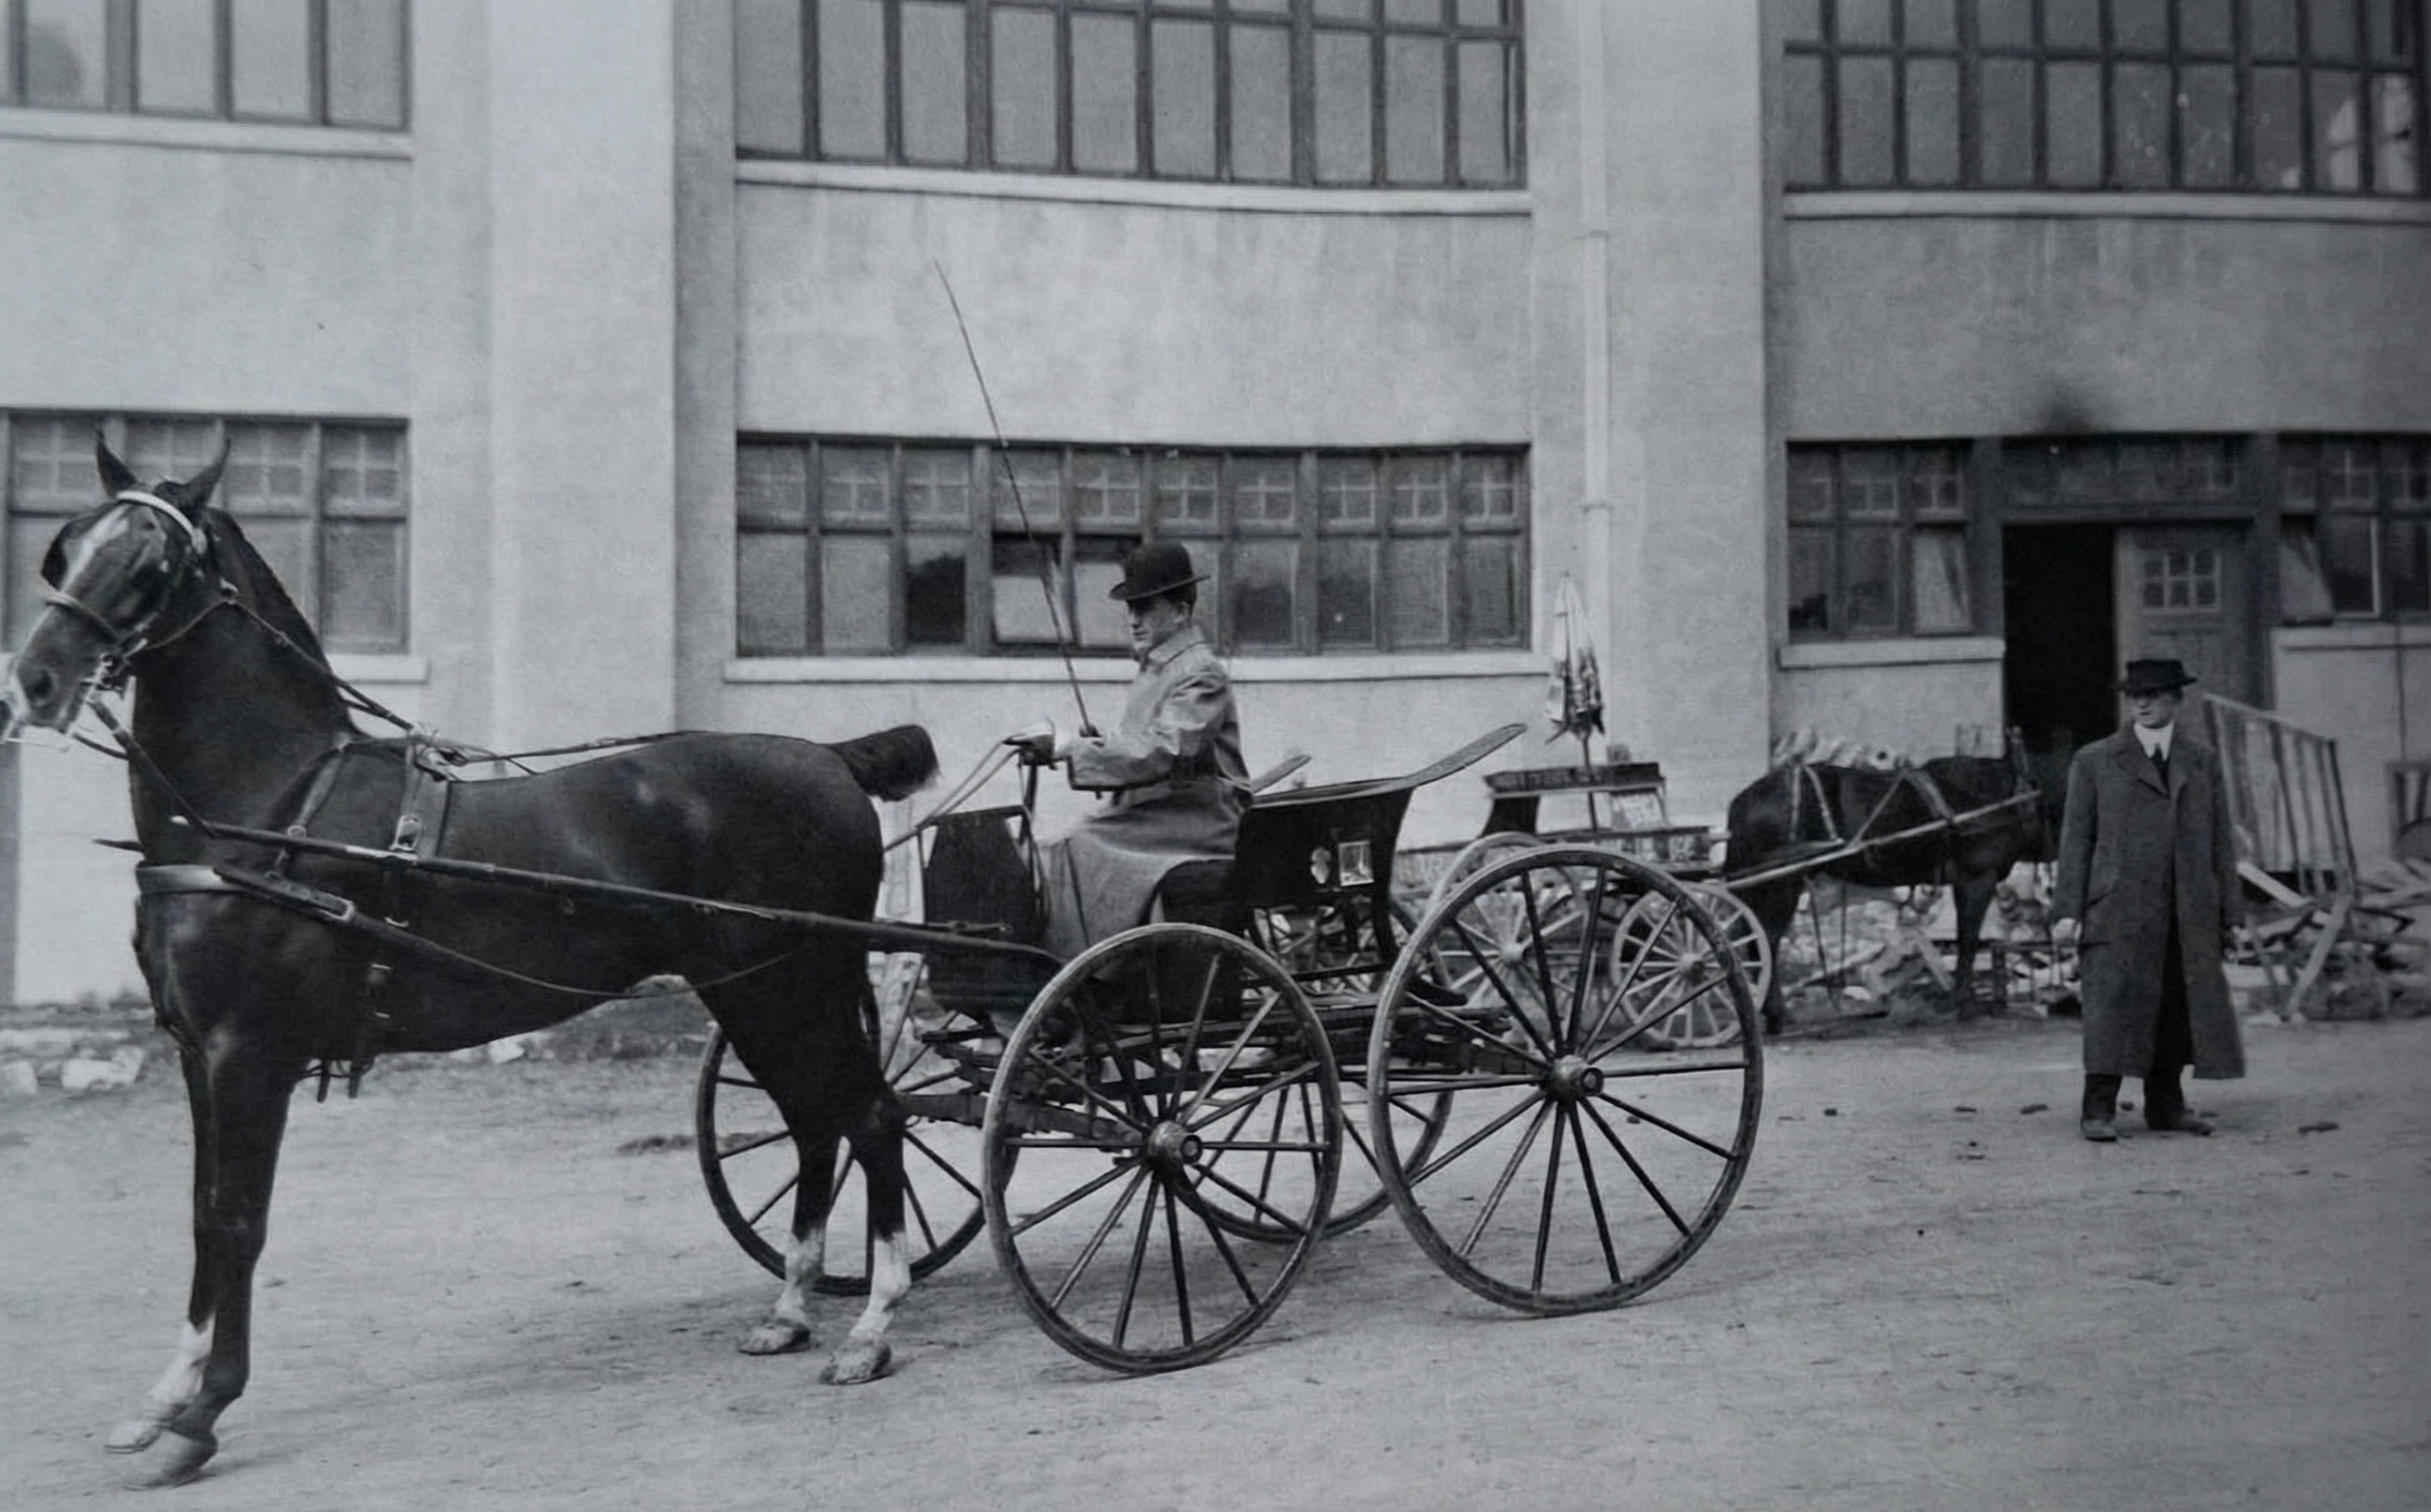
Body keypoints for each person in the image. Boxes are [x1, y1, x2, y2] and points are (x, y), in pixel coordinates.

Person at [1007, 540, 1251, 961]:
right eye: (1130, 609)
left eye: (1145, 608)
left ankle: (1090, 973)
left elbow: (1166, 748)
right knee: (1047, 847)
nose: (1133, 620)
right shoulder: (1160, 667)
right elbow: (1146, 743)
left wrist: (1070, 747)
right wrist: (1090, 742)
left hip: (1198, 820)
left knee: (1075, 845)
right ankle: (1079, 969)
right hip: (1159, 814)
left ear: (1180, 610)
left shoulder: (1201, 672)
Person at [2050, 658, 2246, 1142]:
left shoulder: (2200, 761)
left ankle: (2167, 1106)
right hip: (2118, 907)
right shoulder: (2095, 761)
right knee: (2110, 1006)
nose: (2141, 703)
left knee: (2177, 1006)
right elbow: (2076, 840)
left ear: (2177, 700)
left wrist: (2231, 915)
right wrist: (2068, 911)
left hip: (2187, 907)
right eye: (2134, 695)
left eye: (2154, 695)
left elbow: (2221, 840)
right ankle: (2097, 1110)